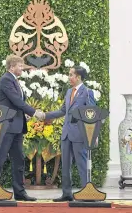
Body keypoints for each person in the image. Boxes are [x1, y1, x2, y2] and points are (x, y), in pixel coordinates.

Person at [0, 54, 42, 201]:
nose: (22, 68)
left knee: (19, 159)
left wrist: (24, 116)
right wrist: (34, 112)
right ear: (11, 66)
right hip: (5, 126)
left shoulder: (14, 80)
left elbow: (15, 104)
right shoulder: (6, 80)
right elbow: (16, 101)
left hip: (16, 126)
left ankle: (20, 193)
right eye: (19, 66)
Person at [41, 66, 96, 202]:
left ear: (78, 77)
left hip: (79, 135)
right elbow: (63, 110)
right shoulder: (68, 92)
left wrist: (94, 134)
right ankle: (67, 193)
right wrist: (45, 115)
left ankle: (87, 192)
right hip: (66, 134)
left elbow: (92, 114)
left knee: (82, 163)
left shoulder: (87, 92)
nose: (69, 77)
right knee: (65, 165)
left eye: (71, 75)